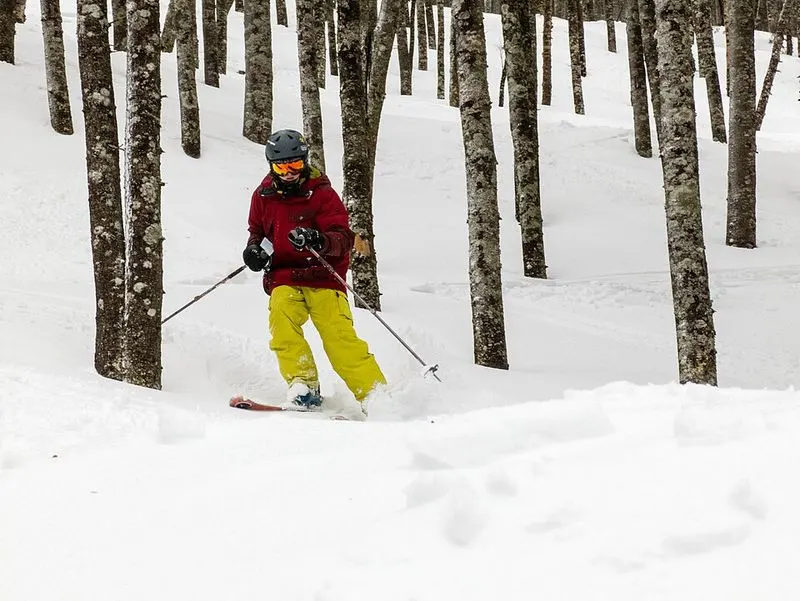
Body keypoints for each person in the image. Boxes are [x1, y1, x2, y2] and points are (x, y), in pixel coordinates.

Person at [242, 129, 386, 414]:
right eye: (281, 166)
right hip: (284, 275)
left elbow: (342, 237)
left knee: (338, 337)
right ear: (271, 166)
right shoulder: (263, 196)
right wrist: (254, 251)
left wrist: (317, 239)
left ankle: (375, 395)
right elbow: (257, 232)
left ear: (305, 161)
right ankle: (304, 386)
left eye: (295, 165)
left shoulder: (322, 194)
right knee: (282, 325)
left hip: (323, 276)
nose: (289, 172)